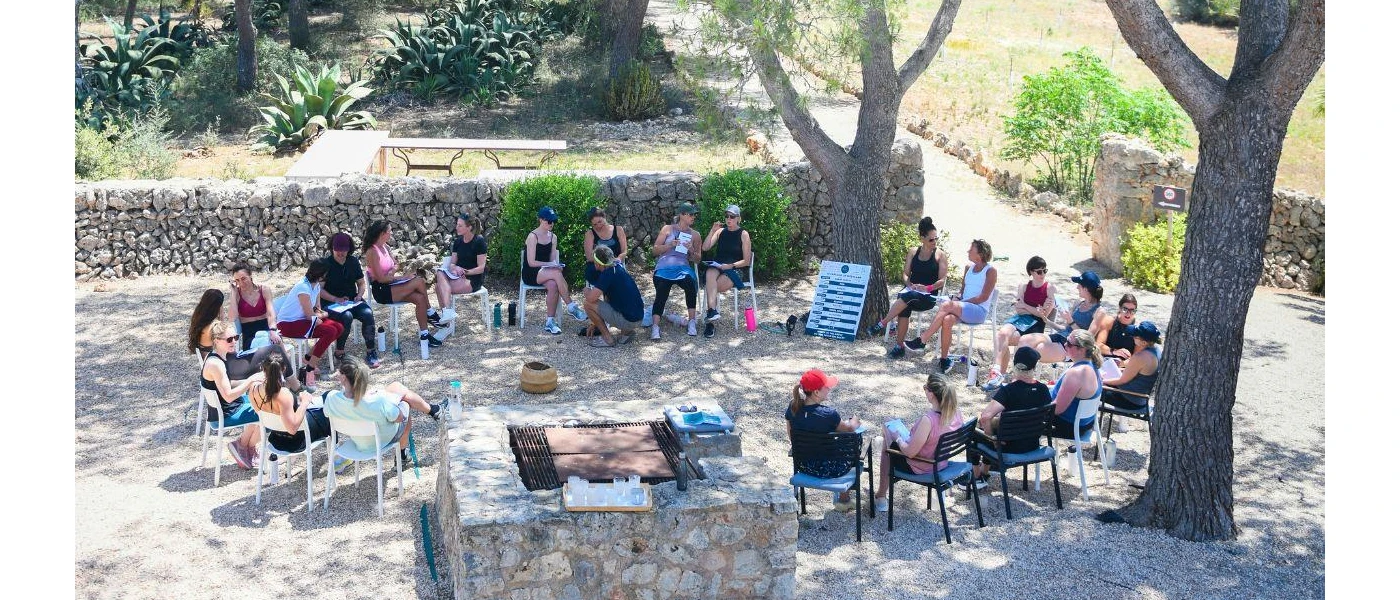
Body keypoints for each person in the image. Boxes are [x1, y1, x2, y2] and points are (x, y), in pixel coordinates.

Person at [872, 372, 966, 513]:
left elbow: (910, 453)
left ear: (931, 394)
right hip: (941, 461)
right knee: (889, 423)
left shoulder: (928, 420)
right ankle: (881, 494)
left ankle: (881, 496)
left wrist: (897, 437)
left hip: (922, 466)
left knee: (887, 444)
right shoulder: (956, 413)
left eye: (925, 388)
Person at [322, 357, 444, 465]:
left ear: (343, 377)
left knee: (395, 387)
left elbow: (328, 413)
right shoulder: (377, 401)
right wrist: (390, 401)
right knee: (405, 403)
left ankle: (434, 410)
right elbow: (400, 418)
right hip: (381, 440)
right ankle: (402, 453)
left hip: (357, 440)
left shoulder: (332, 398)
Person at [905, 239, 999, 373]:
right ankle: (944, 359)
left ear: (980, 254)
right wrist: (957, 298)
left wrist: (960, 303)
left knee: (947, 306)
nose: (968, 251)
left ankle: (923, 339)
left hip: (978, 311)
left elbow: (983, 297)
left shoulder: (990, 271)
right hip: (964, 307)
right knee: (947, 319)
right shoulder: (968, 268)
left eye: (971, 249)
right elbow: (963, 290)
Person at [867, 217, 948, 358]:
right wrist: (909, 284)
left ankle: (882, 323)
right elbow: (905, 274)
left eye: (936, 239)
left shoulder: (940, 255)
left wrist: (928, 288)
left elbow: (942, 280)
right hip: (911, 293)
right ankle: (899, 346)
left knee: (906, 298)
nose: (934, 242)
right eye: (931, 239)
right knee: (905, 300)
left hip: (928, 296)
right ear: (922, 238)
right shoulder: (913, 252)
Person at [188, 288, 299, 388]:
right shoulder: (214, 327)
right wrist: (221, 317)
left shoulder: (199, 324)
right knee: (275, 350)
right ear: (217, 307)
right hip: (229, 367)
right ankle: (295, 386)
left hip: (220, 365)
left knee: (272, 354)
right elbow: (231, 347)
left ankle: (290, 386)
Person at [971, 347, 1053, 482]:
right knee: (993, 426)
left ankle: (976, 476)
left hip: (1008, 448)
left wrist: (992, 438)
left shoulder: (1008, 391)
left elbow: (985, 416)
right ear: (1034, 367)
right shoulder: (1043, 390)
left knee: (975, 433)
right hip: (1032, 444)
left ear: (1015, 366)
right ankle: (984, 471)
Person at [784, 369, 862, 512]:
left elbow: (791, 435)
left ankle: (844, 499)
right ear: (816, 392)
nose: (829, 388)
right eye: (826, 387)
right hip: (830, 469)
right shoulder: (828, 414)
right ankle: (844, 499)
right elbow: (848, 429)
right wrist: (855, 421)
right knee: (854, 438)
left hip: (804, 465)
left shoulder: (793, 408)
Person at [362, 220, 442, 349]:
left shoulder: (386, 247)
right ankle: (431, 314)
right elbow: (381, 279)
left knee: (420, 298)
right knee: (419, 281)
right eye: (389, 231)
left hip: (391, 285)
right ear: (382, 234)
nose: (391, 233)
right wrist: (402, 277)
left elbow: (396, 265)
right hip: (382, 290)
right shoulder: (372, 251)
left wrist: (393, 273)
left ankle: (425, 336)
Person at [201, 320, 266, 470]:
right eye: (229, 339)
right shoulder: (216, 364)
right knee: (270, 412)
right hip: (226, 412)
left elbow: (226, 385)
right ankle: (243, 446)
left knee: (264, 401)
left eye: (236, 337)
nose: (234, 342)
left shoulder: (217, 356)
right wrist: (250, 381)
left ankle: (244, 448)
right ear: (216, 341)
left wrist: (253, 381)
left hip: (224, 407)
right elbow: (228, 396)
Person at [984, 256, 1056, 388]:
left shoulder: (1049, 288)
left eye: (1045, 271)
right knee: (1002, 335)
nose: (1043, 274)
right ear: (1031, 272)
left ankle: (1000, 376)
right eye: (1039, 272)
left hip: (1035, 325)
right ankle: (997, 370)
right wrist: (1032, 309)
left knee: (1005, 341)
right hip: (1020, 319)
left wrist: (1026, 307)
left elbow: (1043, 315)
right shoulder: (1023, 286)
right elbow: (1018, 308)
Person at [275, 261, 345, 386]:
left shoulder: (316, 285)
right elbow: (312, 316)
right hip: (288, 323)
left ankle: (308, 358)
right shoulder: (303, 287)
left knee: (339, 327)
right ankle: (310, 368)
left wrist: (321, 314)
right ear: (321, 274)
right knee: (330, 331)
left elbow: (317, 308)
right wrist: (323, 315)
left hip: (303, 319)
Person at [247, 354, 331, 459]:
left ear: (263, 369)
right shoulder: (283, 394)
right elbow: (292, 429)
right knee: (328, 413)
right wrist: (305, 402)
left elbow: (262, 414)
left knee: (323, 401)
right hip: (294, 442)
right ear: (284, 369)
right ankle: (336, 459)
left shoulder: (253, 389)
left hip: (276, 438)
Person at [1016, 270, 1107, 366]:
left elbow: (1088, 339)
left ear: (1086, 289)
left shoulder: (1099, 311)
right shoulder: (1078, 303)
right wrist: (1045, 319)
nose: (1077, 287)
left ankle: (1023, 375)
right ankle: (1019, 375)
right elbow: (1064, 328)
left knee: (1037, 350)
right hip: (1061, 336)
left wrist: (1071, 321)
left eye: (1079, 285)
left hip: (1074, 346)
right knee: (1024, 340)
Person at [318, 232, 380, 369]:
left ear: (348, 249)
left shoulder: (352, 261)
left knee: (367, 313)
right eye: (337, 250)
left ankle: (371, 351)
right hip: (331, 303)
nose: (340, 253)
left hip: (351, 300)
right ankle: (339, 351)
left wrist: (359, 294)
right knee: (346, 316)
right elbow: (319, 290)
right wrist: (335, 299)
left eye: (343, 250)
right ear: (332, 248)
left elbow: (361, 283)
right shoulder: (326, 264)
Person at [521, 206, 586, 335]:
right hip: (531, 272)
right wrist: (552, 265)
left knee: (554, 284)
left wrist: (555, 265)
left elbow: (551, 260)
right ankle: (571, 306)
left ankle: (550, 322)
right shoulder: (532, 236)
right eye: (548, 221)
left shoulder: (553, 237)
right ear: (540, 220)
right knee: (556, 273)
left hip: (546, 272)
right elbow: (531, 262)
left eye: (553, 221)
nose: (551, 224)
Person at [649, 202, 703, 340]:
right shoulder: (667, 229)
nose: (693, 217)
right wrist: (670, 245)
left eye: (694, 214)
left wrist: (691, 249)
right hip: (664, 267)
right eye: (691, 214)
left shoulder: (695, 235)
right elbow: (655, 250)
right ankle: (655, 326)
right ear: (682, 215)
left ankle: (691, 321)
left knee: (690, 284)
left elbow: (697, 260)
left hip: (682, 268)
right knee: (662, 289)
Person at [699, 204, 753, 338]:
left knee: (712, 286)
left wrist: (730, 266)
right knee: (710, 273)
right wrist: (712, 231)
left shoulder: (743, 234)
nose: (729, 219)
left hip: (735, 268)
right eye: (727, 216)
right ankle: (712, 312)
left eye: (732, 217)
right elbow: (705, 248)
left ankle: (710, 322)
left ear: (738, 218)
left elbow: (746, 261)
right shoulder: (720, 231)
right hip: (718, 265)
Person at [582, 245, 644, 347]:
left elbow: (591, 298)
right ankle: (626, 334)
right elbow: (607, 299)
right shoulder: (618, 267)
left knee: (587, 303)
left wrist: (586, 290)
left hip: (628, 320)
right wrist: (595, 323)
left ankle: (607, 339)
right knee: (611, 298)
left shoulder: (607, 274)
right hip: (639, 317)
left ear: (598, 263)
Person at [433, 214, 489, 324]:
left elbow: (481, 268)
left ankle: (447, 317)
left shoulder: (479, 241)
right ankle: (447, 312)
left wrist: (467, 271)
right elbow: (452, 263)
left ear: (469, 228)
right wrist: (456, 268)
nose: (456, 227)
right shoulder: (458, 242)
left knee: (438, 287)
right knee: (439, 272)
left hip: (473, 278)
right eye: (457, 225)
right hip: (458, 276)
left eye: (460, 225)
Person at [1049, 330, 1103, 441]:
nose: (1064, 344)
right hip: (1085, 423)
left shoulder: (1077, 373)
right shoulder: (1093, 365)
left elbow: (1057, 409)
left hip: (1068, 426)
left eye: (1069, 343)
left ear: (1082, 349)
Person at [1101, 321, 1161, 410]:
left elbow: (1121, 381)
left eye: (1135, 336)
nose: (1132, 337)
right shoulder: (1157, 350)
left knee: (1089, 388)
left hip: (1130, 399)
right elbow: (1136, 373)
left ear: (1144, 342)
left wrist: (1101, 380)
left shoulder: (1141, 357)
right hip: (1140, 397)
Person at [227, 263, 281, 352]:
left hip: (266, 327)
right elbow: (232, 318)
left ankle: (286, 366)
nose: (241, 283)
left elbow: (271, 313)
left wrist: (272, 330)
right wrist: (233, 292)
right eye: (237, 280)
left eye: (243, 278)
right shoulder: (237, 295)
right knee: (266, 346)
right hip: (249, 333)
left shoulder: (264, 290)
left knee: (276, 342)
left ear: (250, 275)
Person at [583, 206, 628, 285]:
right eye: (595, 224)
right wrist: (605, 264)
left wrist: (619, 258)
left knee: (617, 273)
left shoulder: (619, 230)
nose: (598, 226)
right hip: (597, 266)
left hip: (615, 263)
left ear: (605, 217)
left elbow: (624, 251)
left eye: (600, 222)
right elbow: (589, 257)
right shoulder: (590, 234)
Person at [1097, 293, 1140, 361]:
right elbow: (1098, 345)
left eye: (1132, 311)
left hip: (1125, 365)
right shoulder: (1109, 321)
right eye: (1125, 309)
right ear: (1119, 308)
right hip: (1105, 360)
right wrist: (1115, 352)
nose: (1128, 313)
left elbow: (1137, 357)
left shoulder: (1138, 330)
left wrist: (1122, 364)